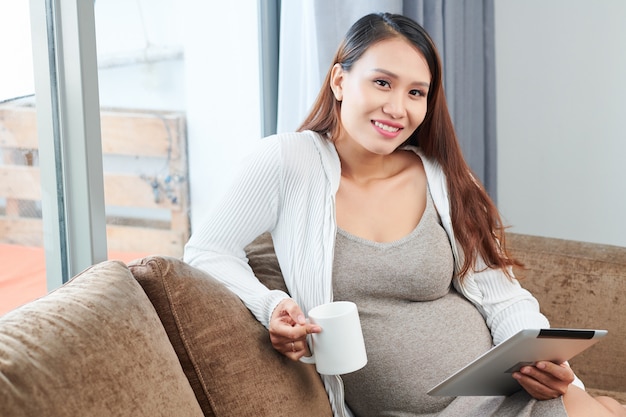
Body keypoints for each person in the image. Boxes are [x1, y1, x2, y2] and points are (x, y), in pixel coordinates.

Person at [184, 12, 626, 417]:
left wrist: (546, 363)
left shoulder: (442, 176)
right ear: (339, 80)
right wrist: (273, 306)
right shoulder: (287, 162)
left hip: (510, 393)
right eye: (382, 83)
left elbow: (501, 296)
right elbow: (206, 250)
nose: (398, 108)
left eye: (416, 92)